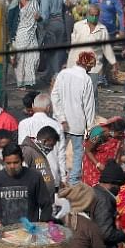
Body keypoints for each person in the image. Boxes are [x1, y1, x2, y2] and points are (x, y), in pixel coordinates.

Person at [52, 52, 97, 184]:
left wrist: (61, 117)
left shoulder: (63, 74)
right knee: (78, 151)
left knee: (58, 149)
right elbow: (89, 106)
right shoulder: (86, 79)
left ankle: (58, 177)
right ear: (89, 66)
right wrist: (90, 127)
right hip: (78, 122)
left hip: (61, 121)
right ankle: (73, 181)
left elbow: (55, 96)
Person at [0, 142, 54, 225]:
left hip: (29, 232)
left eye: (15, 162)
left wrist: (42, 225)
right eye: (8, 163)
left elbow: (46, 204)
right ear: (3, 161)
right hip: (4, 233)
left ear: (22, 160)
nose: (12, 166)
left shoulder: (35, 177)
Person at [70, 5, 116, 85]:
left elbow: (107, 48)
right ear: (87, 14)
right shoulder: (78, 26)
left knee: (92, 91)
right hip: (79, 65)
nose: (94, 17)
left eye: (96, 15)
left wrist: (114, 63)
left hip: (94, 66)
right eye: (92, 15)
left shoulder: (102, 29)